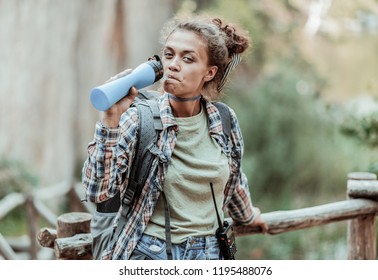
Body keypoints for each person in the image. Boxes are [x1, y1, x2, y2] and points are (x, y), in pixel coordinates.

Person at [82, 14, 268, 260]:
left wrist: (248, 216)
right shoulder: (139, 118)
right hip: (150, 253)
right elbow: (99, 192)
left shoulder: (223, 120)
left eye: (187, 58)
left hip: (211, 253)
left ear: (209, 72)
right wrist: (109, 121)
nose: (173, 65)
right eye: (169, 55)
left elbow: (233, 181)